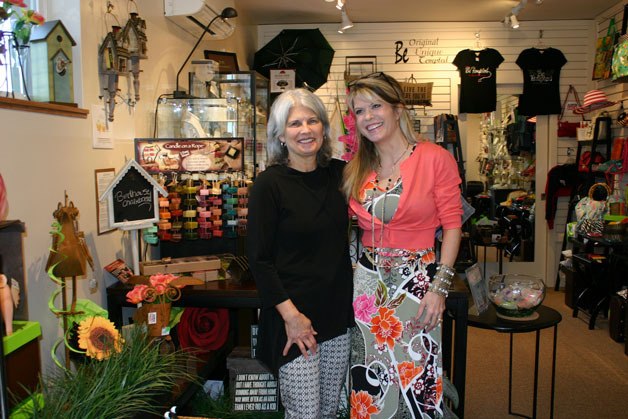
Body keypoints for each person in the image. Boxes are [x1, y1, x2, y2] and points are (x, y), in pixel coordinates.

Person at [342, 73, 463, 418]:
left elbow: (453, 225)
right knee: (370, 373)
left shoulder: (433, 158)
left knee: (416, 372)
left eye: (376, 106)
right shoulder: (357, 169)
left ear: (397, 109)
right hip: (367, 284)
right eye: (360, 111)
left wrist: (439, 287)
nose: (369, 117)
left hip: (417, 283)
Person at [247, 88, 355, 418]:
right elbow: (259, 259)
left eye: (312, 121)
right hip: (293, 317)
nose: (305, 130)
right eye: (294, 124)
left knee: (328, 410)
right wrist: (292, 318)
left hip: (336, 315)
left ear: (324, 127)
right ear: (280, 134)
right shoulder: (269, 185)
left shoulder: (341, 175)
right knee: (304, 413)